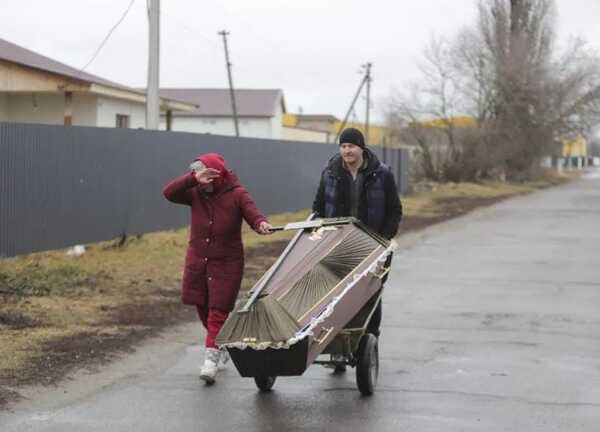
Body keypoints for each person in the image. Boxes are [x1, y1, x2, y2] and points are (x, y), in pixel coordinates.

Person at [163, 153, 272, 384]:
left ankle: (210, 360)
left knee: (217, 312)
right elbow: (168, 192)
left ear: (214, 174)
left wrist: (261, 223)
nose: (199, 175)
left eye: (202, 171)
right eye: (196, 171)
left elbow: (253, 213)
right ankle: (221, 343)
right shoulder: (194, 192)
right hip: (199, 262)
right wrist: (192, 179)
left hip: (227, 263)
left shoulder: (237, 194)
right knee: (203, 308)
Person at [312, 127, 402, 338]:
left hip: (372, 244)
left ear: (361, 148)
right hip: (338, 244)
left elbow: (394, 210)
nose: (346, 151)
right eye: (343, 146)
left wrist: (384, 238)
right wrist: (321, 233)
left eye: (351, 146)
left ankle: (370, 340)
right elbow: (318, 208)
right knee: (336, 296)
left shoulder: (382, 174)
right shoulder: (330, 173)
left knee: (370, 293)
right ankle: (337, 342)